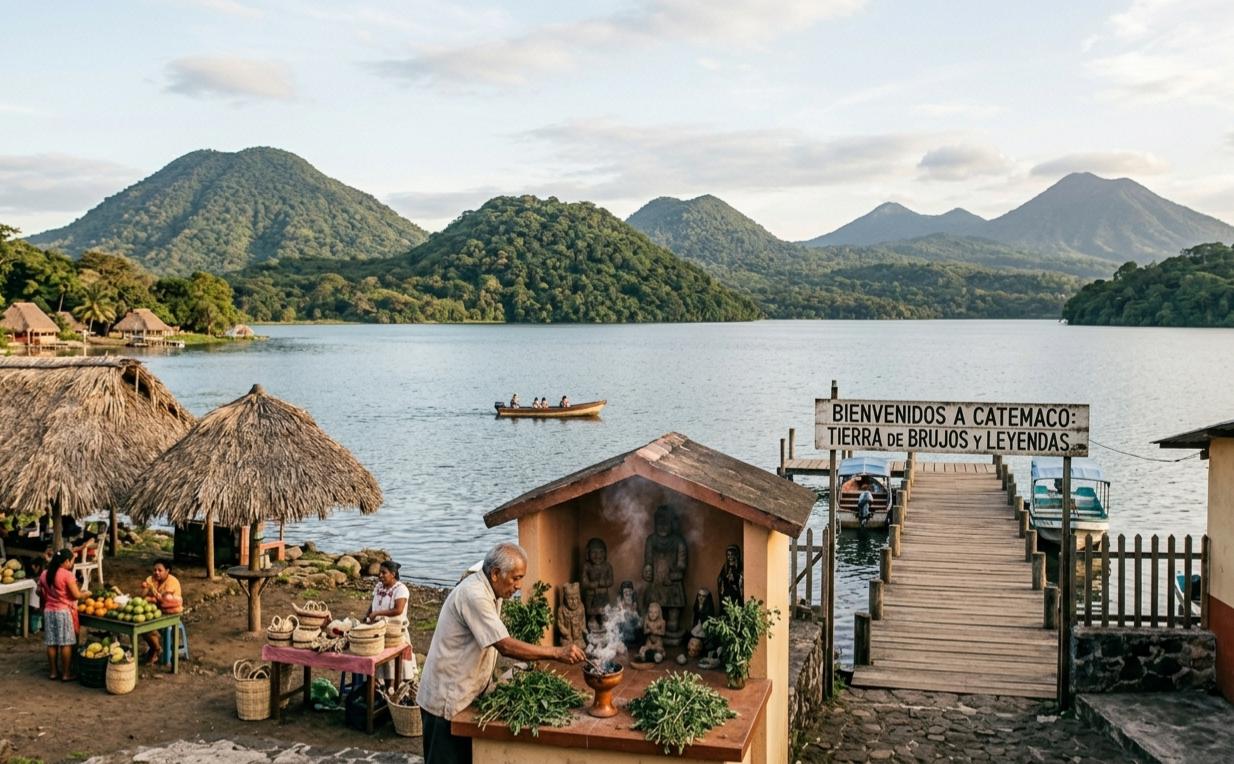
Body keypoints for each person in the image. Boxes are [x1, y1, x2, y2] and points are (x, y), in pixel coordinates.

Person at [417, 542, 585, 764]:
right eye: (515, 578)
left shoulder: (491, 589)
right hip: (446, 698)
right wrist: (556, 653)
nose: (518, 586)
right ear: (495, 573)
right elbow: (504, 645)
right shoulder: (474, 595)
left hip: (466, 693)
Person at [38, 548, 87, 680]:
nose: (71, 564)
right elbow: (76, 595)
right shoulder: (66, 574)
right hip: (63, 612)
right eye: (71, 561)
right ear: (66, 561)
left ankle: (53, 672)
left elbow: (38, 591)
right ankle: (66, 674)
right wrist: (86, 594)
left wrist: (49, 596)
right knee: (66, 643)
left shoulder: (45, 573)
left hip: (49, 611)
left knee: (52, 643)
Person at [366, 560, 415, 684]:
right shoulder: (379, 587)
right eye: (379, 572)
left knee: (392, 664)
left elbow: (398, 610)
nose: (380, 575)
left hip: (394, 632)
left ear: (393, 574)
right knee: (379, 661)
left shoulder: (401, 589)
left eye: (384, 573)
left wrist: (377, 614)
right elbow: (373, 604)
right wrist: (367, 616)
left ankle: (392, 689)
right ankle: (378, 688)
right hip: (378, 630)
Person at [139, 560, 183, 666]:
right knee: (141, 626)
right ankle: (157, 648)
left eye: (160, 570)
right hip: (156, 611)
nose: (156, 572)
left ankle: (155, 650)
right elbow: (142, 596)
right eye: (155, 570)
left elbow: (164, 600)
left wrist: (151, 599)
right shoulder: (151, 579)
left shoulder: (172, 581)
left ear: (167, 571)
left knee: (149, 626)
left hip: (171, 611)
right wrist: (146, 588)